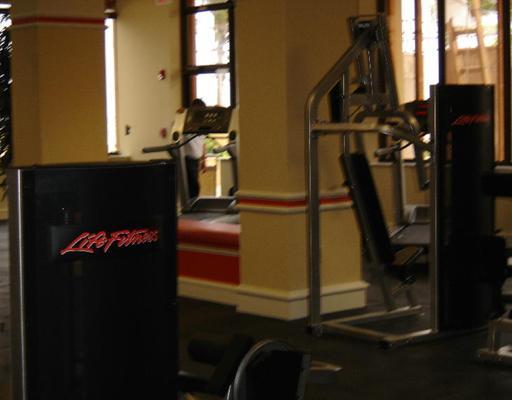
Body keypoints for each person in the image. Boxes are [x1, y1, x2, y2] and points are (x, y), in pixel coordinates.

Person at [183, 98, 206, 198]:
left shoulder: (202, 125)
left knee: (194, 185)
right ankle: (192, 203)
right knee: (193, 186)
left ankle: (193, 202)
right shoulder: (185, 122)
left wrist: (204, 160)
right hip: (187, 159)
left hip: (196, 160)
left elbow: (203, 143)